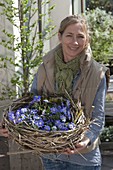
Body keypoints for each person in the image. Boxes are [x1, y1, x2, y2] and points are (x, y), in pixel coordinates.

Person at [31, 15, 110, 170]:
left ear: (87, 40)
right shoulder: (44, 68)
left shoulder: (97, 73)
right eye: (69, 35)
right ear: (60, 36)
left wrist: (86, 140)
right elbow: (32, 103)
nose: (74, 42)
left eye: (80, 37)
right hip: (51, 155)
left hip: (84, 159)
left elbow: (98, 117)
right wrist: (12, 123)